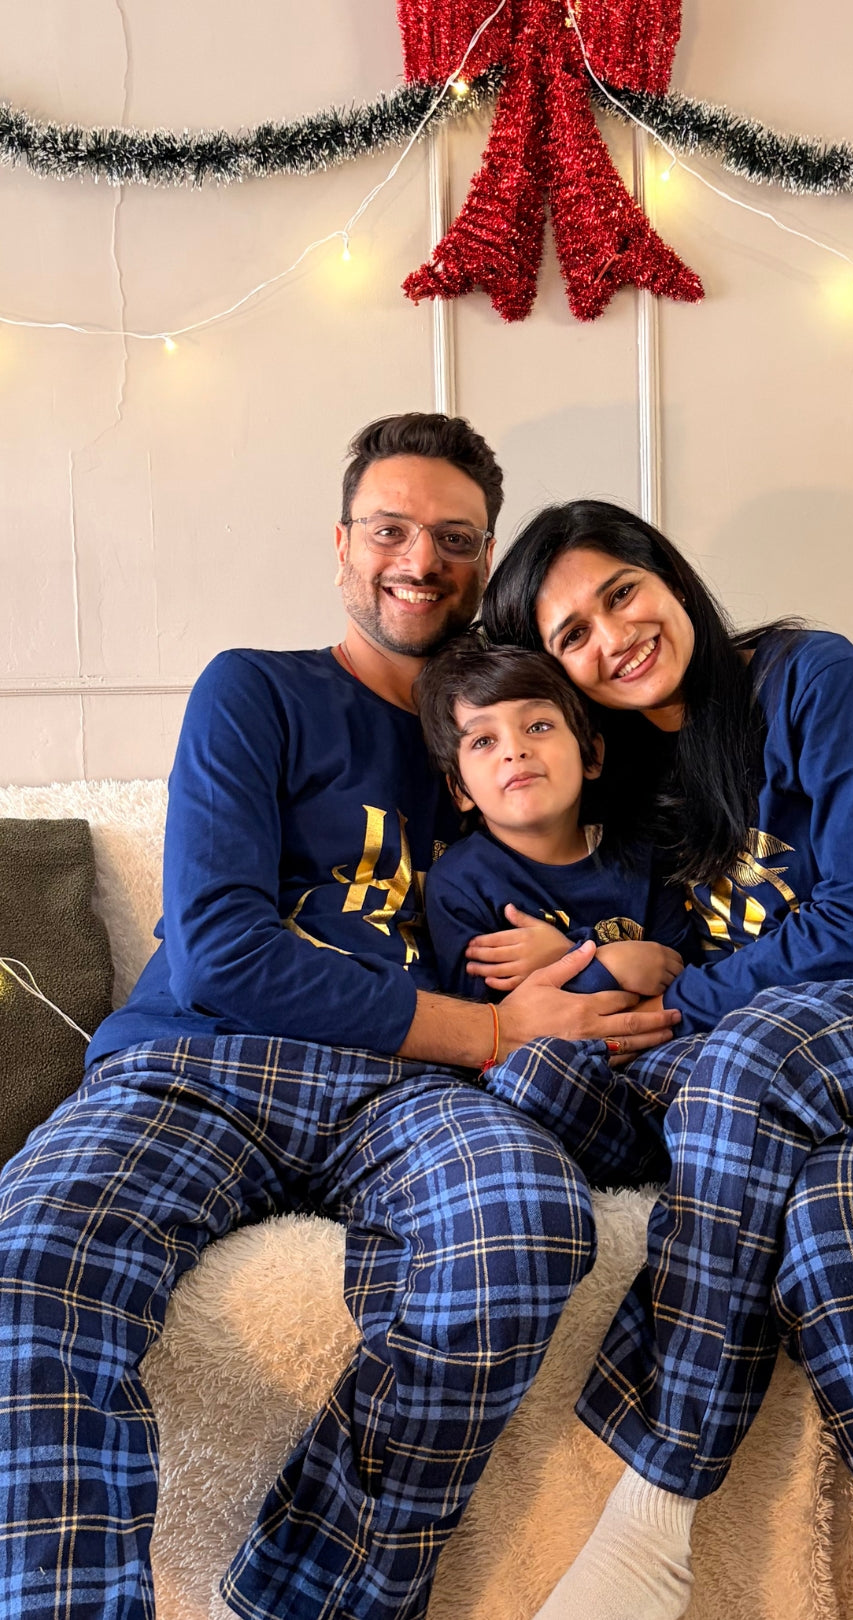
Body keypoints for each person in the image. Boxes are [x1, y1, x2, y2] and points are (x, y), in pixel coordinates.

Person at [0, 420, 680, 1620]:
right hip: (200, 1065)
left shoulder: (512, 720)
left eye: (455, 538)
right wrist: (492, 1033)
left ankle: (304, 1605)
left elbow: (712, 794)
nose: (420, 561)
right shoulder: (257, 691)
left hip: (412, 1099)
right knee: (30, 1261)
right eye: (391, 529)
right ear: (343, 544)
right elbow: (222, 948)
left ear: (486, 561)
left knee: (525, 1222)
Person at [477, 499, 853, 1620]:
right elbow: (651, 967)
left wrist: (687, 999)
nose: (614, 636)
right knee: (836, 1228)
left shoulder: (807, 678)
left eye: (621, 593)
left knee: (753, 1045)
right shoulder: (640, 798)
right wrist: (586, 981)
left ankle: (650, 1522)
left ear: (669, 577)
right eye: (573, 635)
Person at [414, 634, 695, 1002]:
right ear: (461, 790)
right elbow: (490, 1021)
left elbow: (678, 976)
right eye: (483, 741)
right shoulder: (459, 884)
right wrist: (600, 962)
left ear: (590, 755)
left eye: (538, 727)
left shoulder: (645, 850)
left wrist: (562, 957)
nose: (515, 750)